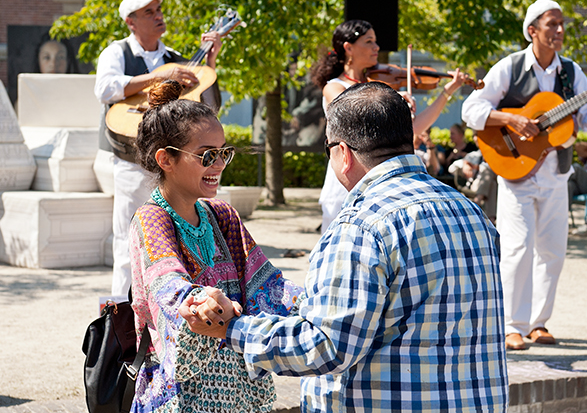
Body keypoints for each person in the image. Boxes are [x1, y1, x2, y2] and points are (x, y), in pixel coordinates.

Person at [182, 82, 508, 412]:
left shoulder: (363, 223)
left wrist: (232, 329)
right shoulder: (469, 211)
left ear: (343, 153)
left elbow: (325, 347)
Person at [129, 80, 305, 412]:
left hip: (240, 395)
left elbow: (269, 286)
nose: (220, 164)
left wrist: (320, 303)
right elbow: (168, 288)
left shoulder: (222, 214)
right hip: (183, 398)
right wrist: (197, 302)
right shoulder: (150, 219)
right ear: (165, 159)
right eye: (207, 155)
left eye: (224, 152)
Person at [461, 0, 587, 350]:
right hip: (515, 170)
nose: (560, 30)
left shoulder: (571, 72)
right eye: (552, 24)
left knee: (552, 251)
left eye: (562, 24)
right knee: (517, 248)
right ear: (532, 30)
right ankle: (510, 326)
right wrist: (512, 119)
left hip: (556, 173)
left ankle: (539, 324)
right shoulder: (510, 66)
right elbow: (472, 108)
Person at [94, 0, 223, 297]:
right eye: (149, 12)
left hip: (175, 166)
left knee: (178, 237)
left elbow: (209, 108)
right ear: (131, 21)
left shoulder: (178, 60)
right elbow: (105, 88)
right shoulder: (117, 52)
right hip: (130, 159)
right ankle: (123, 322)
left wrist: (211, 61)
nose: (158, 15)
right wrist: (156, 77)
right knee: (128, 238)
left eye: (158, 9)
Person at [311, 19, 467, 232]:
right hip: (346, 179)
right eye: (369, 42)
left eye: (375, 41)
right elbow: (352, 110)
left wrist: (447, 91)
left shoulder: (378, 86)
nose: (376, 47)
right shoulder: (334, 87)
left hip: (380, 181)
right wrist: (390, 98)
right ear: (348, 48)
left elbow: (415, 128)